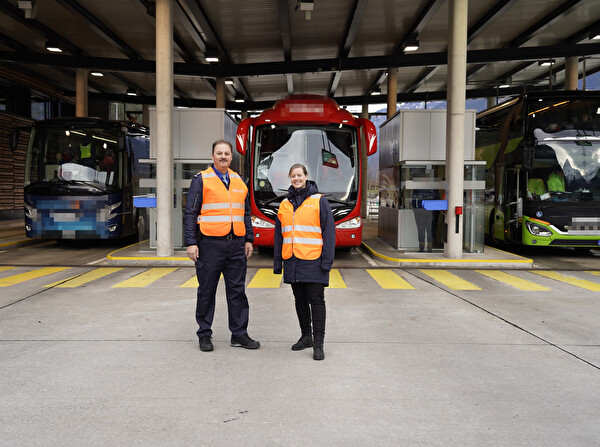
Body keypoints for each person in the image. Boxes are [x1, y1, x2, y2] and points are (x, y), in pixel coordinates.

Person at [184, 139, 260, 352]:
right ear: (212, 156)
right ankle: (204, 334)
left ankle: (239, 334)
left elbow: (245, 213)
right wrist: (191, 243)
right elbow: (191, 212)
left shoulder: (239, 180)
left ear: (231, 156)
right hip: (209, 244)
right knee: (207, 290)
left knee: (237, 291)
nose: (224, 157)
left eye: (227, 153)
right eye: (219, 153)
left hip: (236, 244)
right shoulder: (201, 180)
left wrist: (249, 239)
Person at [273, 164, 335, 361]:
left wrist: (327, 261)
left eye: (299, 175)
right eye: (293, 175)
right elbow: (279, 236)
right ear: (289, 178)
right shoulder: (284, 204)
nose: (296, 178)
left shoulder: (319, 201)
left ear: (307, 176)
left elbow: (329, 232)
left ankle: (318, 343)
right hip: (292, 261)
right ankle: (305, 336)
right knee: (299, 300)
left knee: (316, 301)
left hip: (314, 261)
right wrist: (277, 263)